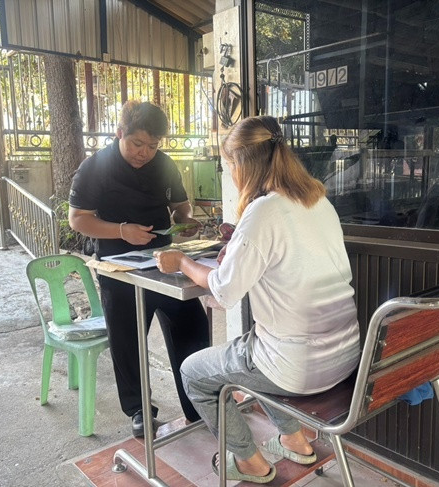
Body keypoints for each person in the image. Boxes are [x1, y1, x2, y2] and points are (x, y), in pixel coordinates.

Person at [154, 116, 360, 483]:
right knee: (252, 349)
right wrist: (237, 253)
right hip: (344, 356)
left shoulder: (264, 211)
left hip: (298, 366)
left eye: (229, 165)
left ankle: (249, 461)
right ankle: (294, 439)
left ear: (242, 164)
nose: (230, 173)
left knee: (194, 373)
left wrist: (182, 262)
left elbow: (223, 292)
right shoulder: (317, 200)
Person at [68, 100, 210, 437]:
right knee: (128, 340)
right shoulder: (95, 167)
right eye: (137, 143)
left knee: (192, 327)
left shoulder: (164, 164)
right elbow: (78, 219)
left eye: (152, 145)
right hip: (118, 268)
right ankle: (139, 410)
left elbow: (181, 207)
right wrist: (122, 231)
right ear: (120, 133)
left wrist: (186, 221)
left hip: (164, 261)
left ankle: (199, 403)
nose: (144, 153)